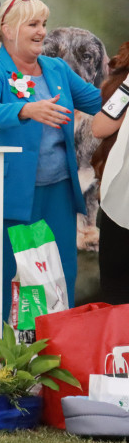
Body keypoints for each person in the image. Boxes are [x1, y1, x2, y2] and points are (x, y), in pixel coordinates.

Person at [0, 0, 101, 320]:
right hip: (19, 194)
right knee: (18, 273)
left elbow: (97, 100)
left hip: (60, 190)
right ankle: (16, 355)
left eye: (43, 24)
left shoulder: (57, 68)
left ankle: (60, 347)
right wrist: (28, 109)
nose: (41, 31)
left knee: (62, 272)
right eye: (33, 24)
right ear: (8, 29)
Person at [90, 41, 129, 304]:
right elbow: (100, 126)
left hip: (120, 204)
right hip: (120, 203)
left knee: (116, 293)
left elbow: (100, 126)